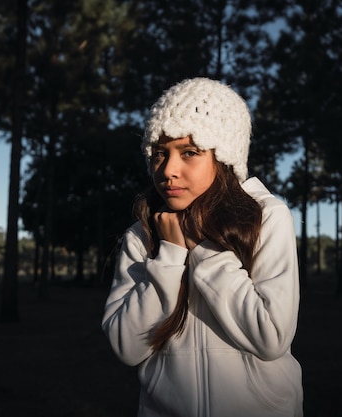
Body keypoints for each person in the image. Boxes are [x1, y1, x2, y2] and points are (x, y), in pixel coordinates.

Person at [101, 77, 303, 417]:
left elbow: (271, 337)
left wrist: (204, 250)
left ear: (224, 157)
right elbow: (126, 346)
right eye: (159, 154)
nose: (168, 170)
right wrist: (169, 255)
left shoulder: (267, 217)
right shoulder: (143, 233)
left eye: (189, 153)